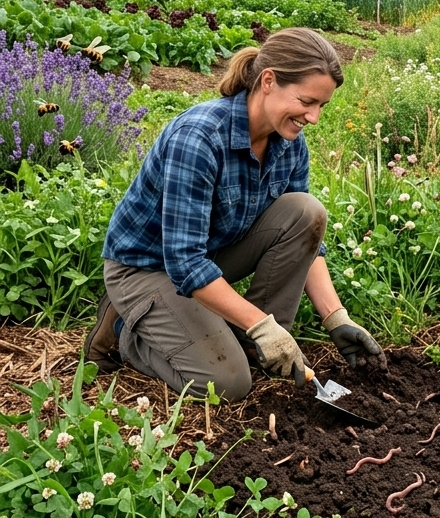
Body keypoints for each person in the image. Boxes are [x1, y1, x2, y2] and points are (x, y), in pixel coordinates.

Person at [86, 27, 385, 399]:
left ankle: (251, 344)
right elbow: (183, 261)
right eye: (307, 101)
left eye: (321, 106)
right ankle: (124, 333)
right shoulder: (199, 138)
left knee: (306, 211)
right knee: (228, 385)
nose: (314, 117)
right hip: (146, 267)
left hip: (206, 257)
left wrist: (335, 317)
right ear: (269, 81)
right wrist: (261, 324)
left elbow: (306, 239)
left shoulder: (289, 145)